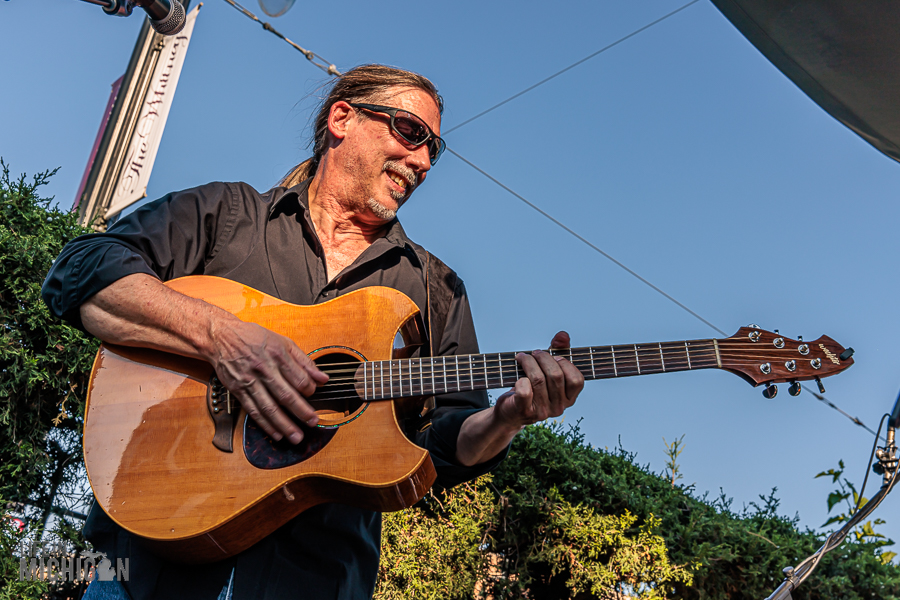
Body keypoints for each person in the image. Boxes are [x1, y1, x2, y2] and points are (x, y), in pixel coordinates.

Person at [42, 64, 584, 600]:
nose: (421, 160)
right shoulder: (228, 214)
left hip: (316, 580)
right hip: (148, 568)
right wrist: (221, 337)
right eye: (411, 131)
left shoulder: (435, 287)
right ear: (342, 119)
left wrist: (506, 418)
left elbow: (442, 446)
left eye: (432, 150)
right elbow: (83, 270)